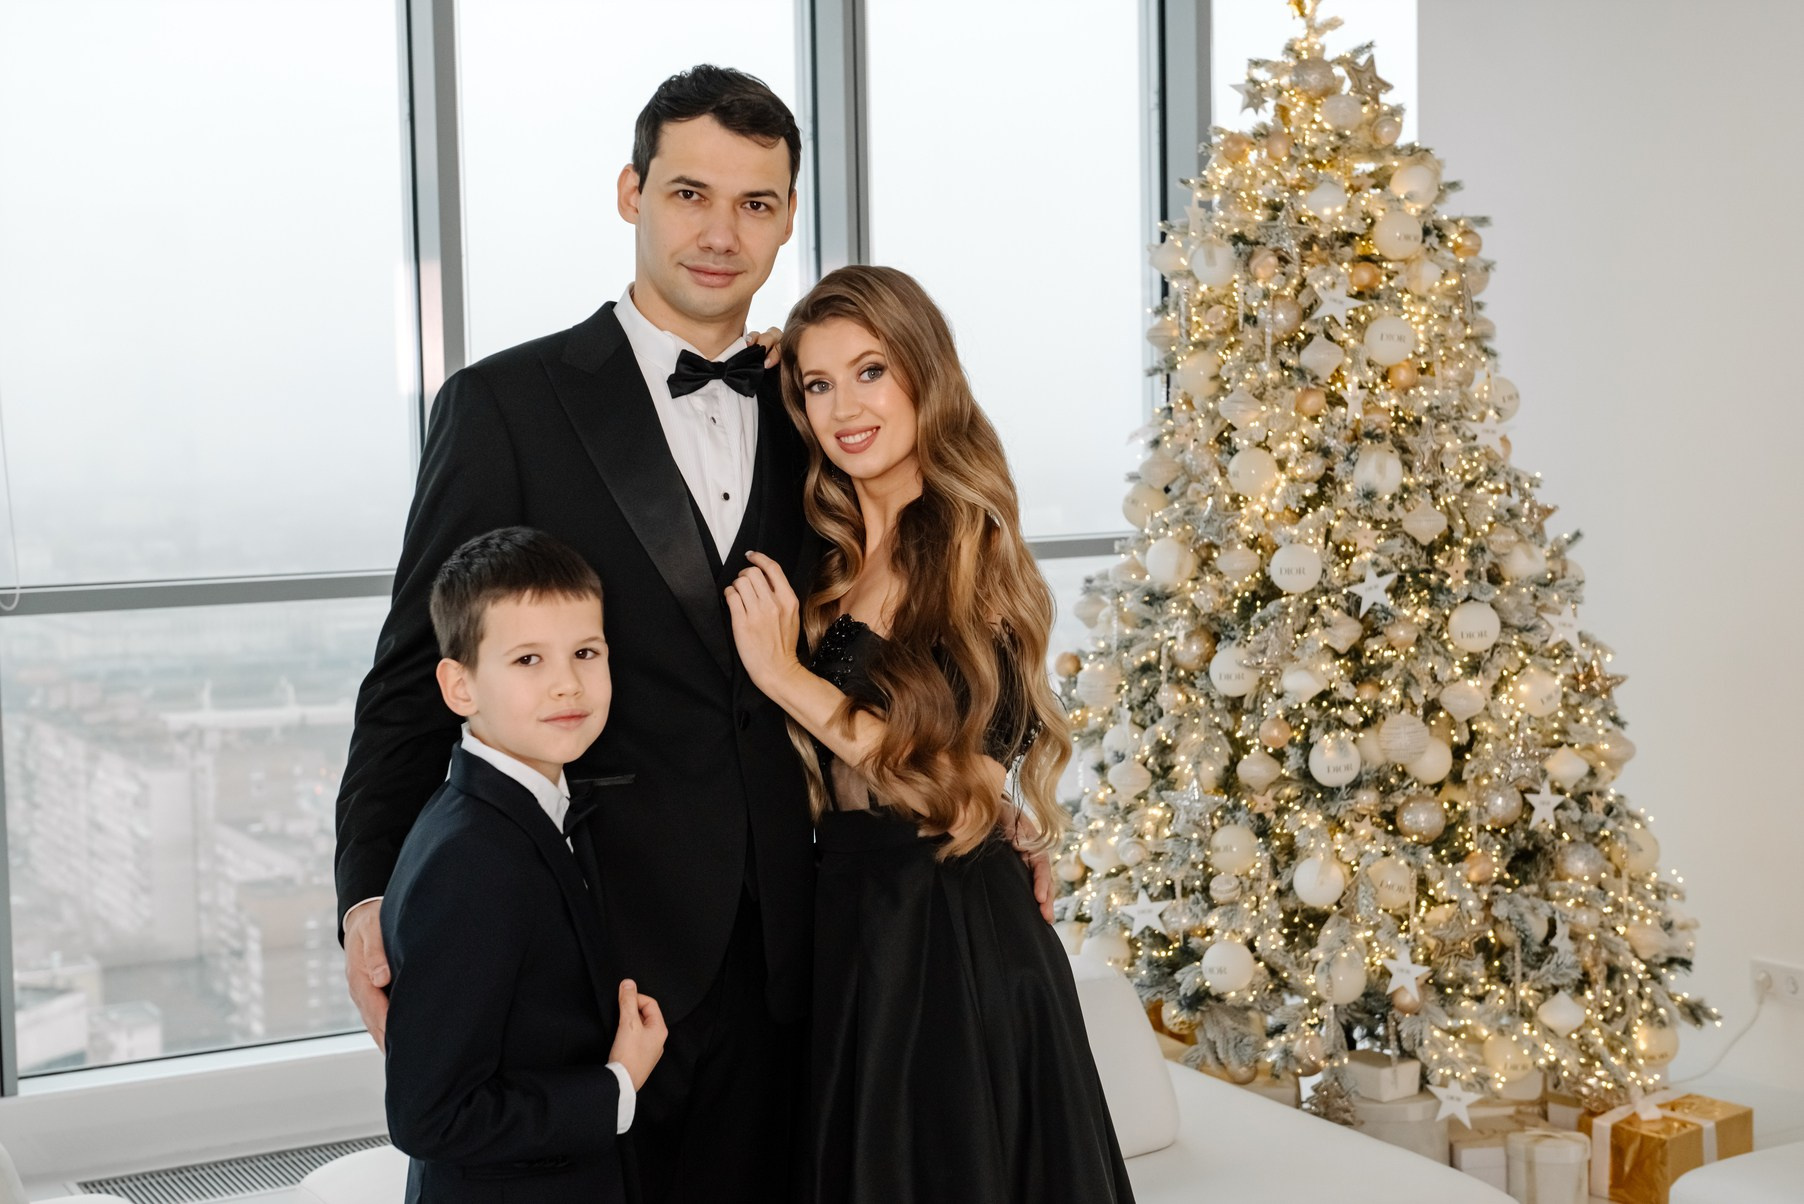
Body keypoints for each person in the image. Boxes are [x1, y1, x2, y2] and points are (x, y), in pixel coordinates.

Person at [336, 65, 821, 1201]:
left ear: (788, 217)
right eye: (689, 194)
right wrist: (368, 896)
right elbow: (413, 673)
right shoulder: (504, 406)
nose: (721, 233)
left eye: (754, 203)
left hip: (789, 950)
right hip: (583, 943)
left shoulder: (817, 407)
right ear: (630, 193)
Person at [725, 265, 1136, 1203]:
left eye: (871, 371)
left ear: (924, 374)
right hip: (859, 925)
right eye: (820, 384)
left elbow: (956, 789)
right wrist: (768, 359)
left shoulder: (970, 544)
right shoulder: (835, 553)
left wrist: (785, 676)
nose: (845, 408)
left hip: (950, 940)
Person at [382, 527, 665, 1203]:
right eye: (528, 659)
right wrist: (617, 1086)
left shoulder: (526, 808)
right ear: (460, 687)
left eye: (585, 652)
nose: (567, 683)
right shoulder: (471, 861)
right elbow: (429, 1115)